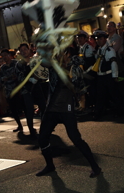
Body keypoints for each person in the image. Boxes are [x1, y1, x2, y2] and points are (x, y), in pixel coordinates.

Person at [36, 47, 101, 178]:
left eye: (62, 53)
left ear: (67, 54)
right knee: (43, 137)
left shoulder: (73, 65)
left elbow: (78, 82)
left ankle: (95, 166)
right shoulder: (52, 64)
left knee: (75, 138)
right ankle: (50, 165)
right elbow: (42, 63)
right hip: (51, 108)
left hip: (66, 107)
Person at [15, 43, 46, 137]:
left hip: (38, 87)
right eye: (21, 50)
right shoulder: (19, 64)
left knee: (43, 108)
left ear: (29, 50)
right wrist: (29, 79)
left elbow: (43, 72)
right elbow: (19, 77)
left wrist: (38, 78)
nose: (24, 51)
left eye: (25, 49)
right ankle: (31, 130)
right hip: (26, 90)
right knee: (29, 110)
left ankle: (45, 128)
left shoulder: (36, 60)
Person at [93, 30, 124, 120]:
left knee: (114, 94)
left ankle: (120, 111)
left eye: (100, 38)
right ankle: (98, 113)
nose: (98, 40)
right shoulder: (99, 50)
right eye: (97, 39)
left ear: (105, 39)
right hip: (101, 75)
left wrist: (115, 75)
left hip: (108, 75)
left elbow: (113, 63)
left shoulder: (109, 50)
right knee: (100, 95)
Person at [0, 49, 23, 131]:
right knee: (13, 109)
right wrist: (3, 79)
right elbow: (0, 79)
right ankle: (19, 125)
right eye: (2, 56)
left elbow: (22, 74)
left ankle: (30, 126)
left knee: (23, 107)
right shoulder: (3, 68)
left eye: (5, 55)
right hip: (9, 91)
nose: (4, 57)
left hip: (19, 89)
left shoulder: (16, 63)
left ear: (9, 55)